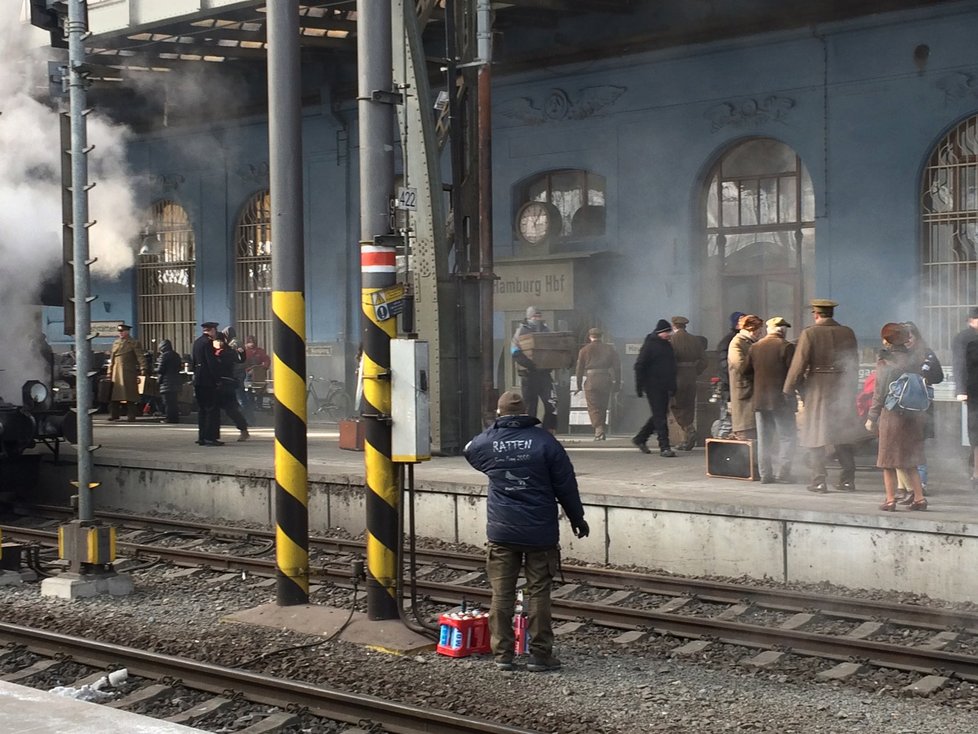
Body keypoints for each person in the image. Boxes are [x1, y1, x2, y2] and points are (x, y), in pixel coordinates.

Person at [463, 390, 589, 672]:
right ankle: (540, 655)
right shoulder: (545, 441)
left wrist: (494, 462)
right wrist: (576, 517)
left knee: (501, 593)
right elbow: (565, 485)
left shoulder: (488, 442)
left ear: (499, 413)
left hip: (502, 531)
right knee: (539, 593)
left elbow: (469, 450)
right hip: (540, 531)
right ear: (528, 411)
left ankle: (503, 654)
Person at [783, 298, 863, 494]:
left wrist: (788, 388)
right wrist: (851, 388)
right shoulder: (848, 332)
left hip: (818, 389)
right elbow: (854, 362)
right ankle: (847, 480)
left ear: (816, 314)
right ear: (831, 313)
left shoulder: (810, 333)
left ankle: (819, 480)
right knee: (842, 435)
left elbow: (799, 363)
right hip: (842, 387)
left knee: (815, 435)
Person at [866, 324, 928, 511]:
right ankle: (919, 498)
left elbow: (879, 392)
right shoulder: (914, 359)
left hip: (892, 415)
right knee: (911, 460)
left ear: (887, 340)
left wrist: (872, 417)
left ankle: (890, 499)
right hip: (913, 414)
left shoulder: (885, 361)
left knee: (888, 460)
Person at [893, 321, 943, 499]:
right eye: (903, 337)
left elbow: (938, 376)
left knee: (917, 445)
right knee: (899, 444)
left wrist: (922, 376)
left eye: (910, 336)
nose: (907, 340)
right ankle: (902, 486)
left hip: (921, 406)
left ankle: (920, 483)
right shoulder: (897, 354)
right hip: (900, 405)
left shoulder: (926, 354)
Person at [745, 316, 796, 483]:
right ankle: (783, 474)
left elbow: (745, 372)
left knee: (764, 439)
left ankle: (765, 474)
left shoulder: (755, 347)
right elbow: (793, 374)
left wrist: (757, 385)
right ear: (782, 331)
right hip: (781, 401)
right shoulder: (786, 347)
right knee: (786, 437)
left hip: (760, 401)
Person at [633, 318, 678, 457]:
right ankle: (664, 447)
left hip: (665, 386)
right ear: (660, 332)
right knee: (660, 417)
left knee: (660, 415)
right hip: (653, 386)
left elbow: (671, 367)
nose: (669, 334)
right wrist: (639, 386)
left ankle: (640, 438)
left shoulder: (667, 345)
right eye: (667, 332)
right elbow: (639, 366)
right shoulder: (650, 346)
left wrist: (673, 386)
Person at [511, 306, 558, 432]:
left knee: (551, 404)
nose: (537, 319)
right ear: (528, 317)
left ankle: (548, 429)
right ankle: (529, 431)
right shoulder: (521, 331)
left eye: (539, 316)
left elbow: (553, 349)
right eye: (534, 316)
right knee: (530, 406)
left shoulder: (546, 330)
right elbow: (515, 351)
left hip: (544, 375)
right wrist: (529, 364)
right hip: (528, 375)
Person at [573, 327, 621, 440]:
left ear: (590, 337)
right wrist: (617, 383)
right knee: (603, 406)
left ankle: (598, 429)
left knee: (593, 407)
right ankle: (601, 429)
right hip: (605, 379)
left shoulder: (584, 350)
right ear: (601, 336)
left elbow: (579, 369)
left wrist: (579, 385)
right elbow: (617, 368)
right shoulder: (609, 349)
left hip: (591, 380)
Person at [669, 316, 707, 451]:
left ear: (674, 325)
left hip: (677, 376)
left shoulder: (671, 340)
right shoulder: (695, 340)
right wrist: (695, 371)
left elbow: (668, 360)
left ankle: (689, 431)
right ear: (685, 326)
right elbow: (704, 360)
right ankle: (686, 439)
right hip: (691, 376)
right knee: (689, 405)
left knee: (676, 405)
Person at [727, 314, 763, 441]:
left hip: (752, 389)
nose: (760, 333)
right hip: (744, 391)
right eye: (759, 329)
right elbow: (741, 366)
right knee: (745, 430)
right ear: (751, 328)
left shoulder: (752, 342)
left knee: (754, 429)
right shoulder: (737, 343)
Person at [107, 323, 147, 422]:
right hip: (116, 372)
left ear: (127, 332)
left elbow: (140, 356)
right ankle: (114, 414)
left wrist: (143, 367)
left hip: (128, 371)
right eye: (119, 331)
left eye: (122, 331)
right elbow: (111, 359)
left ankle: (131, 415)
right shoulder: (116, 343)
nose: (120, 333)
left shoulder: (134, 342)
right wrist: (109, 371)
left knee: (130, 395)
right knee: (114, 395)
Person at [192, 321, 223, 446]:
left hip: (198, 380)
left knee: (202, 410)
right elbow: (211, 363)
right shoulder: (208, 343)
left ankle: (202, 437)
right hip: (208, 381)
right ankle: (210, 437)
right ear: (213, 330)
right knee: (212, 409)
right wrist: (217, 379)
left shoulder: (197, 342)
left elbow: (194, 361)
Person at [215, 330, 250, 442]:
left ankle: (243, 429)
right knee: (225, 409)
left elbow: (240, 360)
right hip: (221, 383)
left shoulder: (227, 351)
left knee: (231, 409)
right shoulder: (219, 351)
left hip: (227, 383)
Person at [155, 339, 183, 424]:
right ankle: (175, 418)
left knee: (167, 402)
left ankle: (169, 418)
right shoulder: (176, 355)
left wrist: (154, 369)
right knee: (174, 402)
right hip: (176, 381)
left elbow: (161, 369)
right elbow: (179, 367)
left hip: (166, 382)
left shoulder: (164, 356)